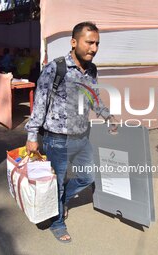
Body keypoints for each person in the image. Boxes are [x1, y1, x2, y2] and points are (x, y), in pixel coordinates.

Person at [25, 22, 117, 243]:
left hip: (82, 137)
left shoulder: (92, 69)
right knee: (55, 183)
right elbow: (40, 103)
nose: (94, 48)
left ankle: (61, 199)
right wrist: (31, 136)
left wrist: (107, 116)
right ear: (74, 42)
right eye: (89, 42)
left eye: (97, 43)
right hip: (57, 139)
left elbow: (93, 98)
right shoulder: (56, 68)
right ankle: (57, 223)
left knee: (88, 176)